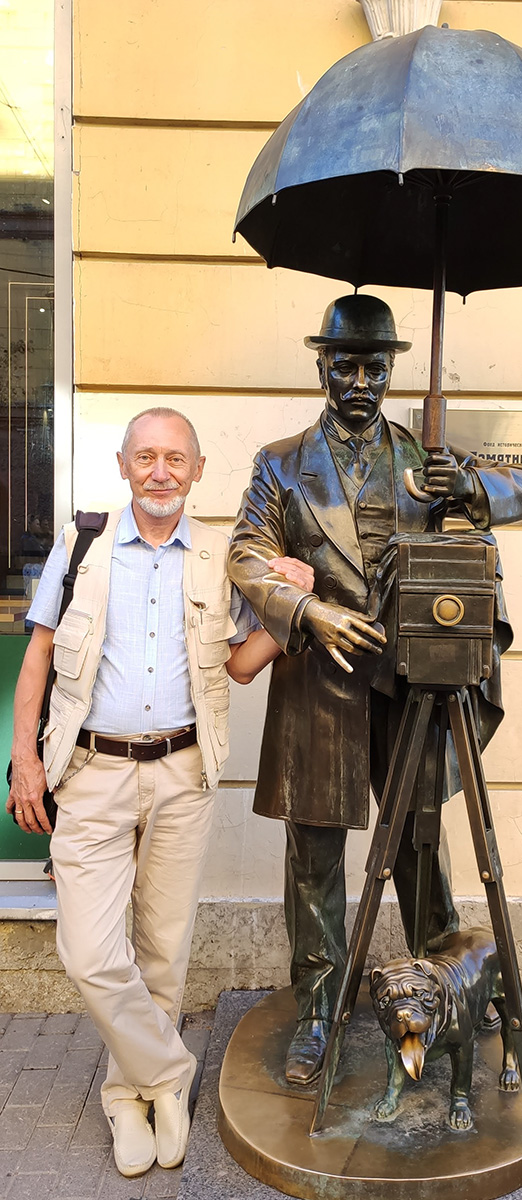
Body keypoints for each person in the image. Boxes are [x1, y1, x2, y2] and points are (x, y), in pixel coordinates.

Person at [228, 294, 522, 1086]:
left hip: (410, 686)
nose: (360, 382)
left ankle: (448, 989)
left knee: (419, 848)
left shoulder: (423, 459)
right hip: (318, 684)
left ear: (390, 371)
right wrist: (307, 611)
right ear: (321, 367)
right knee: (313, 859)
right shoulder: (280, 463)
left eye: (375, 368)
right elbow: (246, 554)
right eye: (346, 366)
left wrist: (468, 488)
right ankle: (318, 1011)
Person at [6, 407, 312, 1179]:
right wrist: (24, 759)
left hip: (182, 774)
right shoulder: (83, 544)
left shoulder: (218, 557)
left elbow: (241, 665)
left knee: (162, 952)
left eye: (176, 458)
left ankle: (130, 1095)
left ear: (197, 470)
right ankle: (172, 1072)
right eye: (145, 456)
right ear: (124, 465)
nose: (160, 471)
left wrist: (289, 607)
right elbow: (39, 654)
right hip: (91, 774)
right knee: (88, 952)